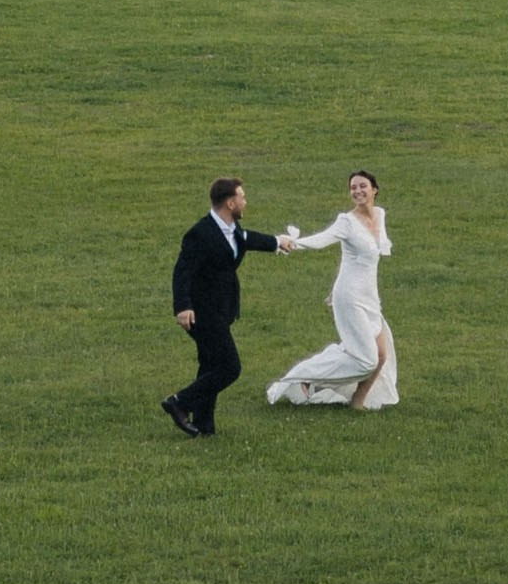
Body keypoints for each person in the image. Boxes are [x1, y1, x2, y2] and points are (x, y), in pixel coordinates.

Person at [162, 178, 287, 438]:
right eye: (241, 197)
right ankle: (179, 402)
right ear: (230, 202)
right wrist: (183, 306)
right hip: (202, 313)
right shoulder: (201, 233)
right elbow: (182, 271)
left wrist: (277, 242)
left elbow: (246, 238)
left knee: (209, 364)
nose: (245, 201)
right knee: (229, 368)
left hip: (221, 310)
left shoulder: (230, 228)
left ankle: (204, 426)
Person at [266, 173, 398, 411]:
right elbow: (321, 240)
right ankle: (303, 378)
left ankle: (358, 401)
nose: (357, 191)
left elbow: (356, 257)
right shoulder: (346, 222)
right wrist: (292, 242)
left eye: (362, 186)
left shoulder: (380, 214)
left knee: (381, 356)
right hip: (350, 298)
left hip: (370, 296)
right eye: (353, 188)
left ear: (374, 189)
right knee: (366, 360)